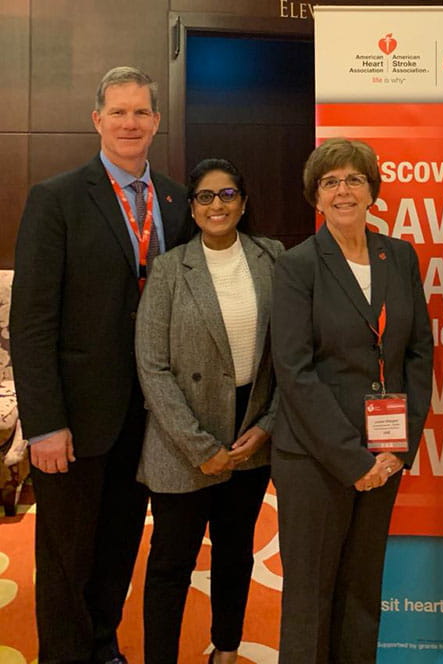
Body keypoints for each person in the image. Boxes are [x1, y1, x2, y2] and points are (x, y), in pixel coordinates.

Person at [9, 66, 192, 664]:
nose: (130, 123)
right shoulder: (56, 199)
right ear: (97, 120)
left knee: (118, 548)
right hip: (74, 421)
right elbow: (31, 322)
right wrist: (43, 423)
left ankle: (101, 644)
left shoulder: (174, 199)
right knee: (66, 557)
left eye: (141, 112)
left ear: (156, 122)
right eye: (118, 112)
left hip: (148, 419)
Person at [270, 138, 433, 664]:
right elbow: (294, 371)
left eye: (354, 179)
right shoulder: (299, 265)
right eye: (331, 182)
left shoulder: (399, 255)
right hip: (315, 458)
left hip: (384, 454)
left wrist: (396, 450)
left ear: (373, 191)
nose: (344, 190)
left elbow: (418, 354)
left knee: (362, 591)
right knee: (310, 597)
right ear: (316, 198)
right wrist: (351, 458)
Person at [135, 158, 282, 664]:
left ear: (242, 203)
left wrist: (267, 426)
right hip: (182, 440)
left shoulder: (274, 258)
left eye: (226, 195)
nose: (216, 205)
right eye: (205, 197)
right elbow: (152, 367)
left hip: (248, 435)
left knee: (235, 555)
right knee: (171, 562)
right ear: (193, 209)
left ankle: (225, 648)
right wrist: (200, 447)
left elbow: (291, 357)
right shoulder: (171, 268)